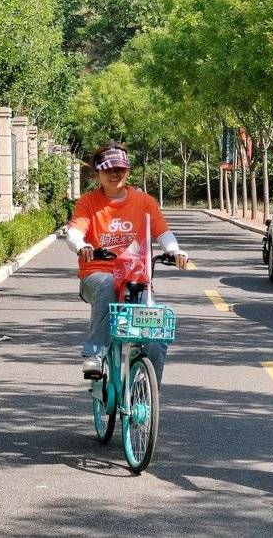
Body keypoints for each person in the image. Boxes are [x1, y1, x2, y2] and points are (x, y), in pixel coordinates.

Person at [66, 142, 188, 383]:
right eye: (109, 169)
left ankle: (145, 392)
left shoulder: (144, 201)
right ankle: (95, 355)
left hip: (136, 280)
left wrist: (174, 250)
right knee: (107, 283)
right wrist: (82, 246)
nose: (115, 175)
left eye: (120, 169)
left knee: (157, 331)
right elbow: (75, 232)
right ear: (98, 172)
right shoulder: (88, 202)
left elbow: (162, 232)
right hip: (97, 276)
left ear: (128, 171)